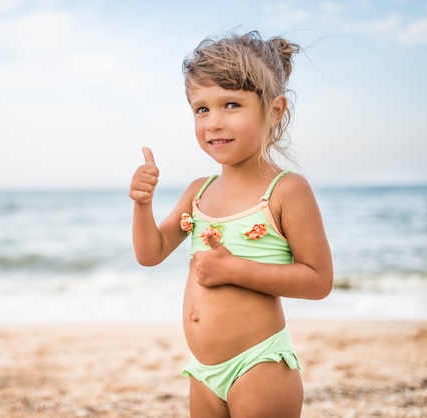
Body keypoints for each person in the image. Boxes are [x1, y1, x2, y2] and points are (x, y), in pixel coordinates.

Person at [129, 31, 333, 417]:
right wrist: (142, 204)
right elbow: (150, 253)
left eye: (231, 104)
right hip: (203, 371)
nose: (214, 122)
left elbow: (318, 281)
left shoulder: (285, 190)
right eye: (201, 109)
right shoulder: (198, 191)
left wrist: (234, 269)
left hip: (258, 364)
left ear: (274, 111)